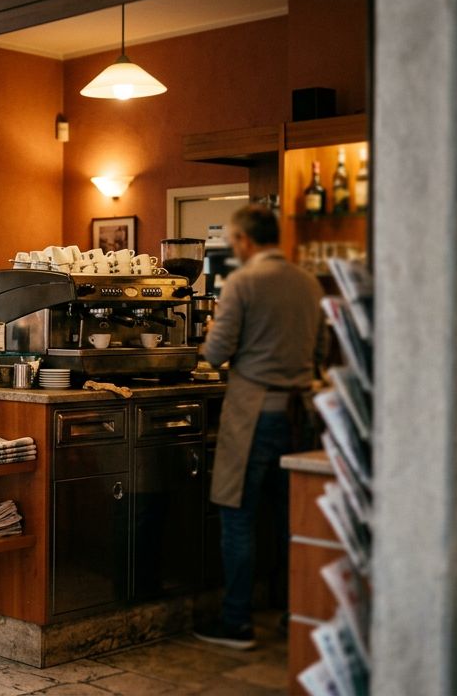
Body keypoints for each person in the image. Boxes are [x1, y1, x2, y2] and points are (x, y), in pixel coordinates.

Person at [194, 205, 322, 649]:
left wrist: (210, 333)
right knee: (293, 520)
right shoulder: (308, 283)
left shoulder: (242, 282)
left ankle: (237, 622)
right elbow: (320, 347)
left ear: (245, 241)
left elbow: (215, 353)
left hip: (253, 411)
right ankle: (297, 613)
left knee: (239, 515)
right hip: (300, 412)